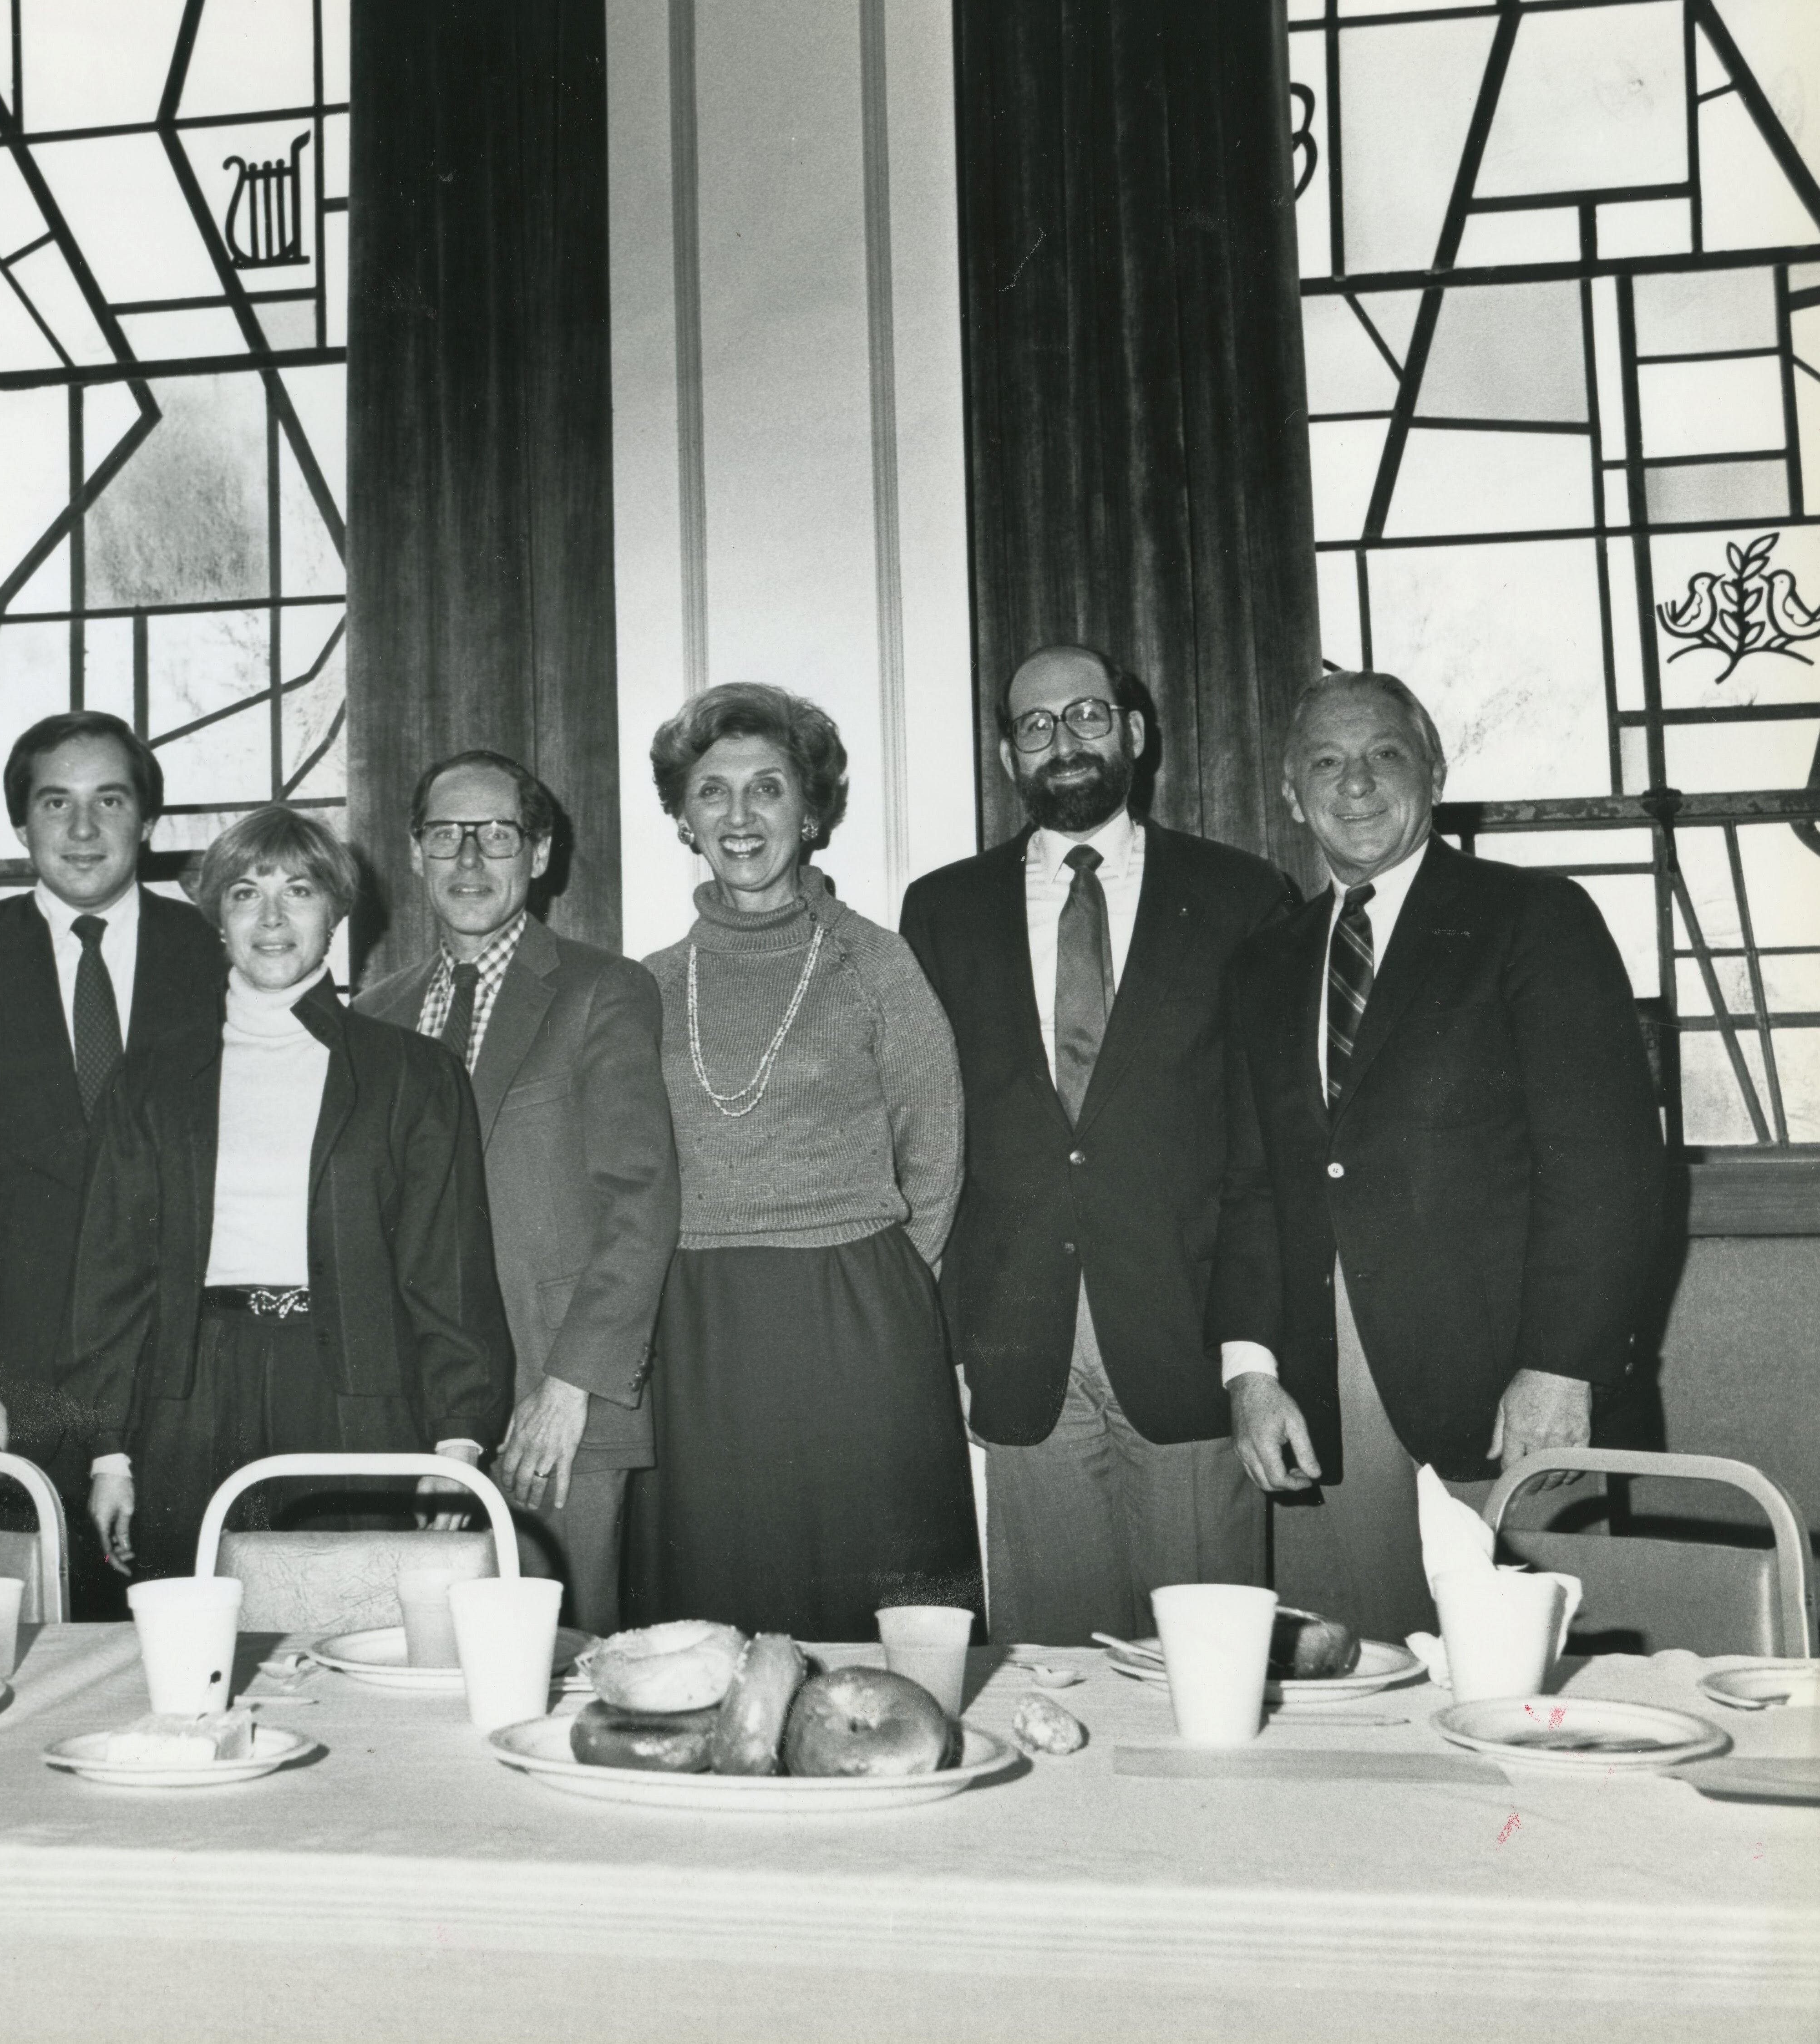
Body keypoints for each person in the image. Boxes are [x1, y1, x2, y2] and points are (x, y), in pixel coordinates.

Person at [1213, 671, 1666, 1641]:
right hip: (1331, 1392)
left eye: (1385, 754)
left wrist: (1561, 1364)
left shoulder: (1533, 917)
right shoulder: (1265, 960)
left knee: (1535, 1690)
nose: (1357, 783)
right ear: (1293, 795)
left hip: (1514, 1390)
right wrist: (1251, 1371)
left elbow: (1606, 1164)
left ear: (1434, 770)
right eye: (1325, 763)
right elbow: (1252, 1182)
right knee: (1366, 1683)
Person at [899, 645, 1294, 1644]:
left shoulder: (1244, 897)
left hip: (1186, 1332)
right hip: (1017, 1338)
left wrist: (1255, 1350)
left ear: (1134, 731)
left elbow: (1265, 1149)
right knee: (1052, 1670)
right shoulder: (940, 910)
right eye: (1035, 725)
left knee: (1204, 1669)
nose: (1062, 741)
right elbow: (927, 1134)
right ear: (1005, 754)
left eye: (1085, 715)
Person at [66, 807, 516, 1584]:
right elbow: (111, 1274)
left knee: (355, 1626)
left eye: (299, 891)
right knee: (203, 1639)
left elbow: (449, 1270)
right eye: (245, 893)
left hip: (356, 1395)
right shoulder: (150, 1079)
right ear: (218, 918)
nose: (272, 918)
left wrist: (457, 1441)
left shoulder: (411, 1075)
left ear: (336, 913)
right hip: (192, 1397)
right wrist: (108, 1449)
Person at [632, 683, 978, 1641]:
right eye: (712, 791)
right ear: (683, 816)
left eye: (768, 787)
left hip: (853, 1319)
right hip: (696, 1322)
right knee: (709, 1613)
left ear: (810, 809)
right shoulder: (648, 983)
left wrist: (887, 1277)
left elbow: (935, 1142)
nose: (740, 816)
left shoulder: (875, 962)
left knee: (865, 1621)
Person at [0, 712, 227, 1609]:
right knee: (18, 1623)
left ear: (146, 820)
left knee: (171, 1613)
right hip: (8, 1373)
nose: (82, 829)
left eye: (108, 800)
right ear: (21, 824)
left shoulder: (212, 952)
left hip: (176, 1363)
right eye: (55, 803)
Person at [352, 751, 679, 1634]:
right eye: (445, 835)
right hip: (406, 1412)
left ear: (538, 855)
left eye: (495, 834)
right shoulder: (371, 1015)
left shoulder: (601, 989)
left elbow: (639, 1198)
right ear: (415, 852)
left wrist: (570, 1387)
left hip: (553, 1409)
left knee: (558, 1671)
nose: (468, 858)